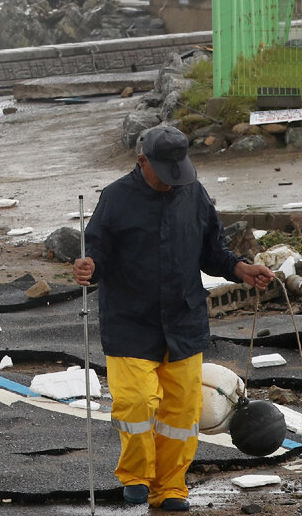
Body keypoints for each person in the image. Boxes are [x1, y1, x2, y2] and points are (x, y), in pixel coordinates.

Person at [72, 125, 274, 512]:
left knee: (181, 412)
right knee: (136, 403)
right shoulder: (115, 198)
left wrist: (241, 269)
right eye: (163, 172)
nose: (171, 182)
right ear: (141, 160)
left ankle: (170, 486)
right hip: (130, 322)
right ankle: (136, 476)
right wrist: (88, 268)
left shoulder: (194, 194)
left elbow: (213, 251)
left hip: (184, 320)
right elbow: (96, 251)